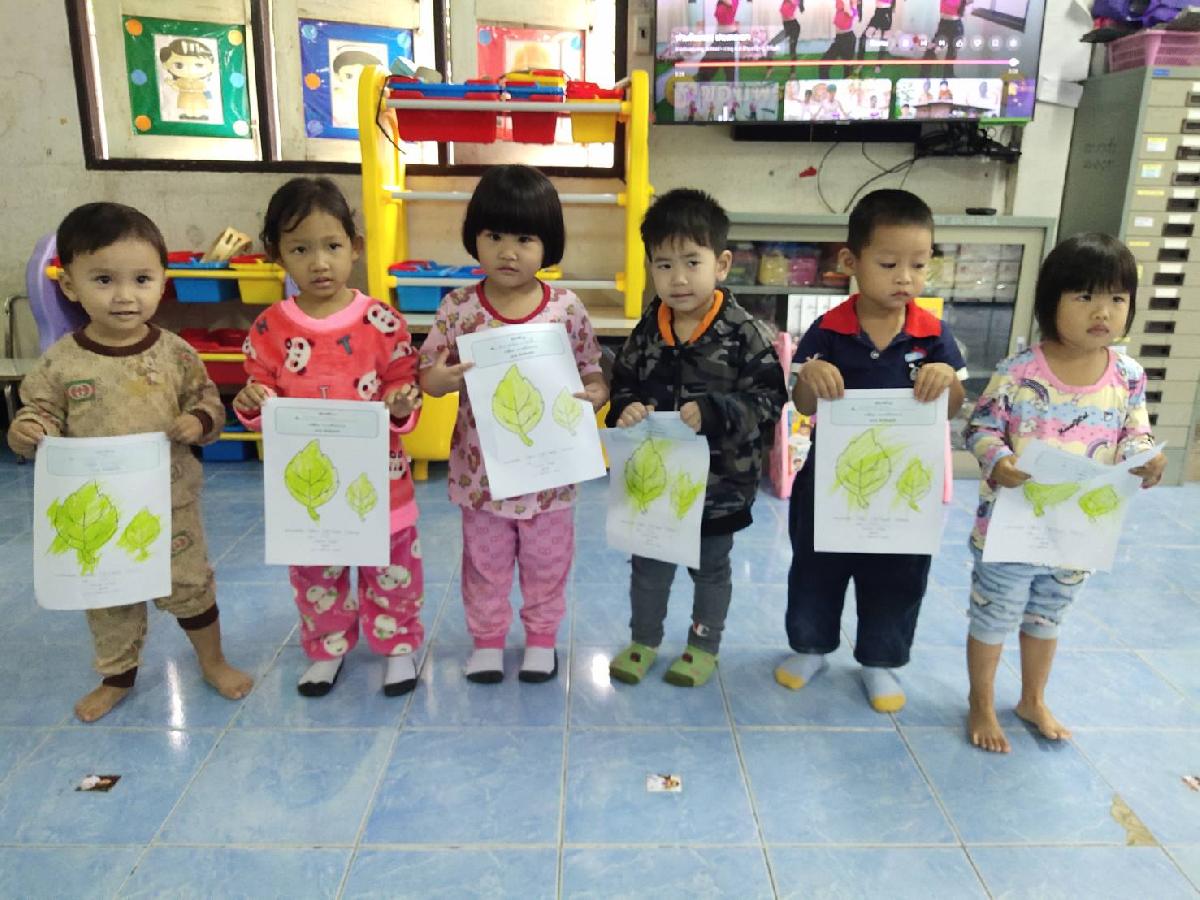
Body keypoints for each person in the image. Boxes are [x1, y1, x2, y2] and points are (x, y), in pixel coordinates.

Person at [7, 202, 252, 722]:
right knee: (109, 598)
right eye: (103, 279)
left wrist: (199, 422)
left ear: (162, 280)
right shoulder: (61, 362)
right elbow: (39, 411)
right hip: (98, 512)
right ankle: (117, 676)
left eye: (141, 279)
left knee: (191, 586)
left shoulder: (176, 355)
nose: (124, 295)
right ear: (69, 285)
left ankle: (213, 661)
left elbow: (208, 401)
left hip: (171, 502)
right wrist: (28, 429)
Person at [963, 234, 1166, 753]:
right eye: (1085, 296)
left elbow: (1134, 433)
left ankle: (1032, 699)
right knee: (994, 613)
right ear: (1051, 302)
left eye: (1117, 298)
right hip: (1012, 530)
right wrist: (998, 459)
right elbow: (980, 427)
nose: (1103, 311)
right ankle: (981, 703)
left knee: (1048, 614)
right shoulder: (1018, 372)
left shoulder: (1128, 376)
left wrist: (1146, 458)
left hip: (1078, 532)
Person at [233, 177, 425, 698]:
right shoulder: (269, 328)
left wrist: (401, 405)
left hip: (381, 486)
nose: (319, 263)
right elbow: (259, 396)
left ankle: (399, 648)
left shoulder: (382, 321)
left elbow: (402, 382)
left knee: (392, 570)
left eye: (332, 246)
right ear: (277, 255)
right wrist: (252, 403)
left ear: (354, 247)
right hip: (309, 494)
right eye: (300, 249)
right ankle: (327, 649)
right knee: (317, 575)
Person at [776, 189, 967, 712]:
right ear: (850, 261)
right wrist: (811, 376)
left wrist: (947, 381)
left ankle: (880, 661)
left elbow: (951, 408)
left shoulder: (934, 336)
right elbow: (802, 404)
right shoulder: (828, 331)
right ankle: (811, 647)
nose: (905, 277)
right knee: (815, 567)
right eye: (888, 264)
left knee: (898, 575)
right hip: (829, 480)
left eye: (919, 265)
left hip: (904, 485)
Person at [418, 165, 608, 684]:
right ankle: (487, 642)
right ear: (474, 237)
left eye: (524, 239)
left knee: (548, 562)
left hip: (550, 477)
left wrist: (596, 393)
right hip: (482, 478)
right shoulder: (458, 309)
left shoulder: (566, 308)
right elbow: (428, 377)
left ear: (548, 244)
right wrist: (441, 379)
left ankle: (542, 639)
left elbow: (591, 369)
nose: (508, 252)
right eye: (494, 236)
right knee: (485, 564)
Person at [606, 189, 787, 687]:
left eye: (692, 261)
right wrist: (625, 407)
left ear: (721, 264)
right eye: (664, 265)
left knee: (710, 568)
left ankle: (704, 645)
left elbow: (770, 401)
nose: (679, 278)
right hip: (654, 484)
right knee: (648, 567)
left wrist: (716, 411)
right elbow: (624, 381)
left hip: (720, 487)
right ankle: (644, 640)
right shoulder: (649, 328)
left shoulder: (745, 333)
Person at [819, 0, 860, 79]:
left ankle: (848, 85)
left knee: (848, 70)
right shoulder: (841, 4)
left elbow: (851, 13)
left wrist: (846, 3)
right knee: (823, 64)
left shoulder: (852, 5)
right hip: (839, 39)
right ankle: (825, 85)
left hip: (848, 39)